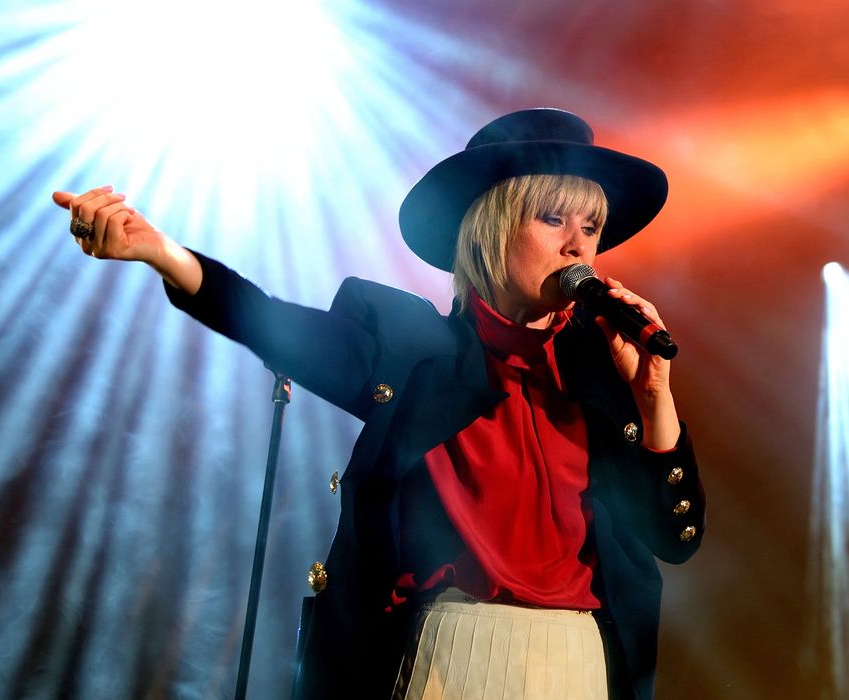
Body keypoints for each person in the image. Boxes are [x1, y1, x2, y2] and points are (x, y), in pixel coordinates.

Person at [53, 108, 705, 699]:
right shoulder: (411, 346)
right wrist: (159, 252)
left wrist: (653, 396)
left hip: (579, 660)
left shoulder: (599, 373)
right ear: (488, 229)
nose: (577, 245)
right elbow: (270, 321)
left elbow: (672, 541)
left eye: (590, 226)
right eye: (552, 218)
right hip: (454, 651)